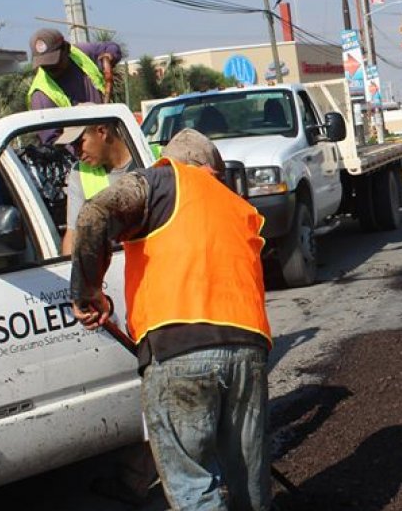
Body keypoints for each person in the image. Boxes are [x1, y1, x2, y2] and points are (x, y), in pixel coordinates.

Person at [70, 129, 272, 510]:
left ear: (173, 159)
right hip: (249, 352)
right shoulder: (238, 207)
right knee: (250, 484)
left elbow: (94, 213)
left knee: (192, 484)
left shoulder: (160, 181)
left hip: (178, 351)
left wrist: (87, 291)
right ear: (212, 171)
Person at [55, 120, 135, 255]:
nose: (76, 153)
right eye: (73, 146)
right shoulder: (80, 173)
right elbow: (73, 235)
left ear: (102, 131)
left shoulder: (153, 158)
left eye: (79, 143)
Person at [27, 28, 121, 142]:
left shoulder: (82, 53)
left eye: (54, 62)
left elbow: (111, 47)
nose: (50, 68)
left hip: (112, 130)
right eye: (44, 66)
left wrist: (109, 56)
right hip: (84, 154)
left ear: (66, 49)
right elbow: (51, 141)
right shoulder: (41, 95)